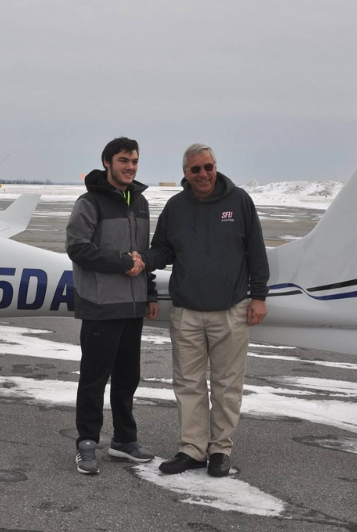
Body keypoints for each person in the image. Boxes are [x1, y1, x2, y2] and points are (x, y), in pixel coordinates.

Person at [136, 143, 269, 477]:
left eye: (207, 167)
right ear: (186, 173)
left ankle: (220, 450)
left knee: (226, 384)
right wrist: (142, 261)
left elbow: (256, 252)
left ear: (215, 167)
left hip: (231, 310)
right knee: (188, 383)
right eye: (195, 169)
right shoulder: (176, 207)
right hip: (187, 312)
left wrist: (259, 296)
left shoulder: (239, 201)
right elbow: (162, 249)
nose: (203, 174)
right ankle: (192, 449)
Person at [66, 137, 158, 475]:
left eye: (134, 160)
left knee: (127, 378)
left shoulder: (141, 202)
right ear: (107, 162)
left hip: (132, 307)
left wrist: (148, 293)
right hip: (101, 306)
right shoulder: (90, 202)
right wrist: (120, 262)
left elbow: (142, 255)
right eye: (123, 160)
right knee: (94, 380)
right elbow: (77, 247)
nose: (130, 166)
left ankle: (124, 441)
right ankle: (87, 444)